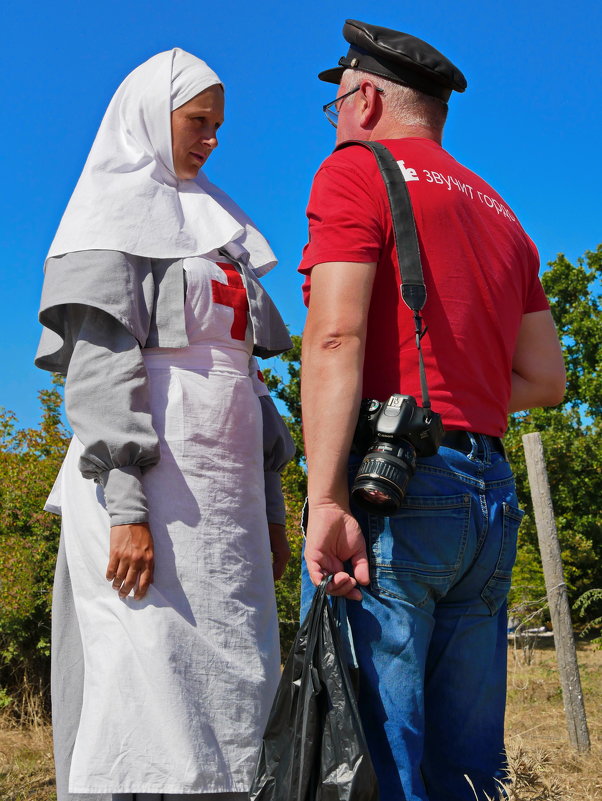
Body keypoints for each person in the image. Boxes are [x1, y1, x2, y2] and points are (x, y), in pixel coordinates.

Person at [298, 19, 566, 801]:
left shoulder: (356, 170)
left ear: (368, 98)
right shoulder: (502, 212)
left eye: (337, 104)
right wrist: (455, 404)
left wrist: (325, 497)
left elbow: (336, 333)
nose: (337, 121)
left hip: (394, 496)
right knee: (467, 765)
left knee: (373, 756)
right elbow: (546, 378)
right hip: (486, 495)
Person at [35, 48, 295, 801]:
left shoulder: (219, 230)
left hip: (225, 504)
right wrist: (127, 508)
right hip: (146, 495)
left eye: (219, 125)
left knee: (232, 688)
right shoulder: (110, 220)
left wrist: (272, 508)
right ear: (151, 117)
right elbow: (101, 369)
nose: (213, 139)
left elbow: (247, 379)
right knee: (146, 678)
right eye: (199, 122)